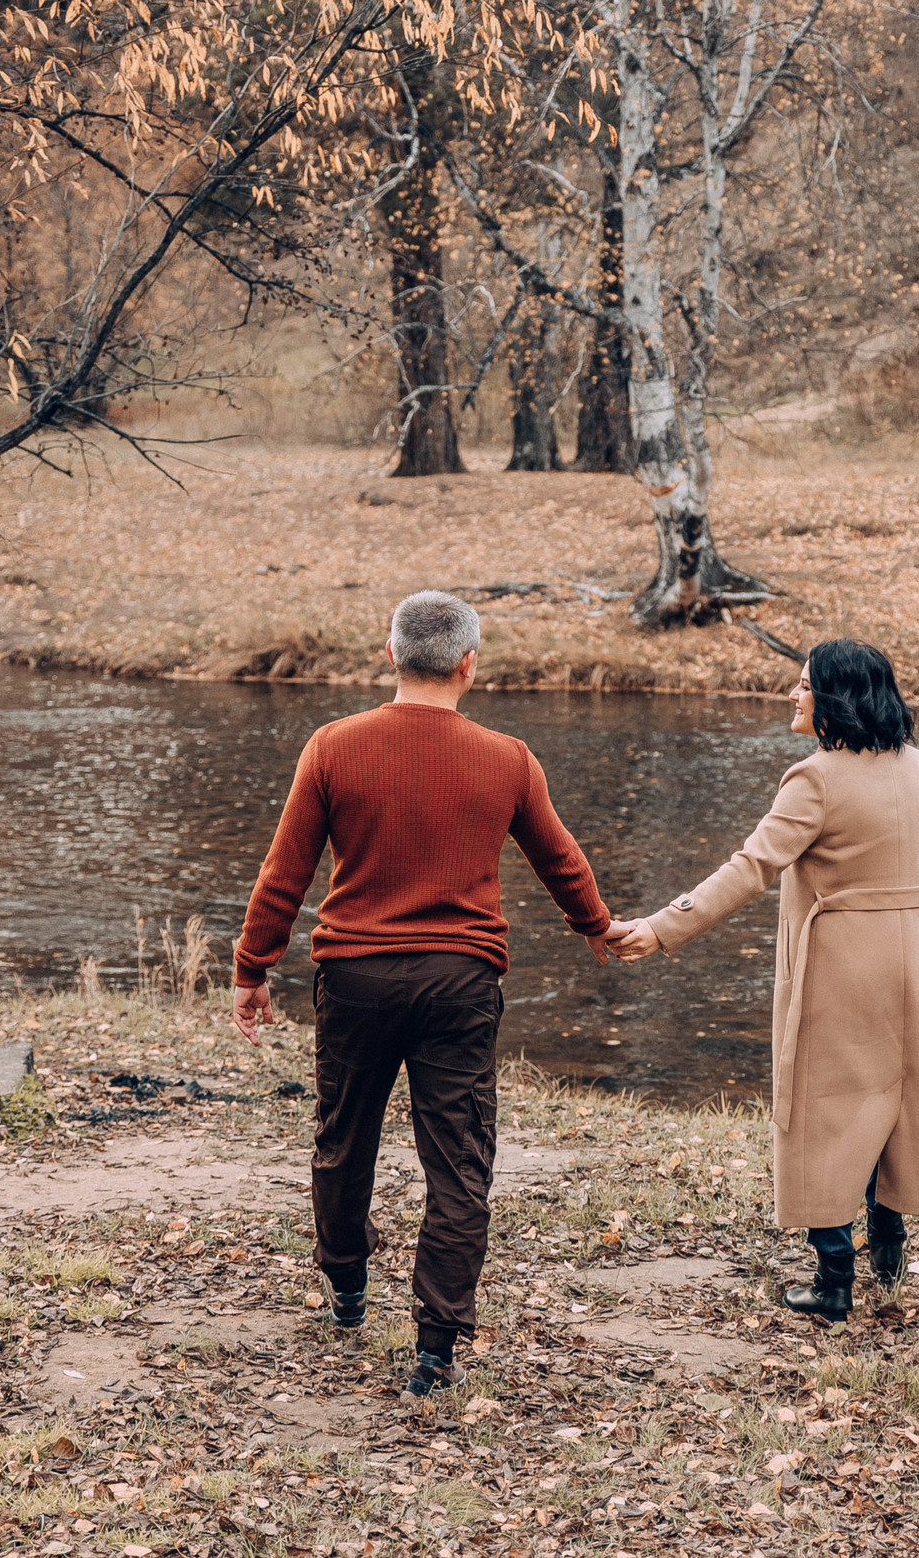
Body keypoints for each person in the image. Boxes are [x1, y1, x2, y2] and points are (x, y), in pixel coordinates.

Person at [233, 590, 630, 1395]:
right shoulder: (508, 757)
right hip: (461, 982)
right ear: (469, 663)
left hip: (356, 978)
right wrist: (596, 925)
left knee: (345, 1136)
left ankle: (346, 1288)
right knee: (458, 1158)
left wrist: (252, 967)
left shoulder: (333, 746)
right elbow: (561, 858)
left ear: (391, 654)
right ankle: (436, 1344)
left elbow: (287, 871)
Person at [609, 639, 919, 1322]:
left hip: (841, 961)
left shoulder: (815, 777)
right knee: (901, 1100)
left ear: (836, 697)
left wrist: (663, 925)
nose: (791, 696)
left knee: (823, 1105)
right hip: (915, 952)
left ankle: (834, 1278)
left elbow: (750, 867)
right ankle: (889, 1243)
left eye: (802, 685)